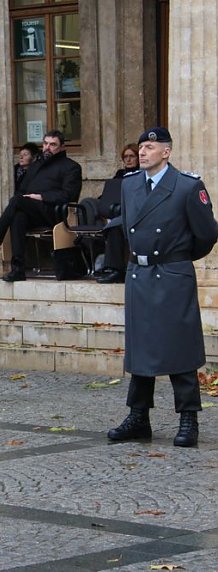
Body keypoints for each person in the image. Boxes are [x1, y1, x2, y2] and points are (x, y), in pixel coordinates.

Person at [107, 127, 218, 447]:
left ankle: (188, 419)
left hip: (172, 273)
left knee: (179, 348)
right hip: (139, 275)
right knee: (141, 349)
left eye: (150, 147)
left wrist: (177, 258)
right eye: (141, 146)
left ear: (166, 152)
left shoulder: (187, 186)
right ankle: (138, 417)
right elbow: (129, 229)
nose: (142, 152)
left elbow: (207, 234)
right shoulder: (129, 186)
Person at [0, 129, 82, 281]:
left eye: (53, 144)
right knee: (18, 216)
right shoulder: (36, 165)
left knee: (17, 201)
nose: (47, 147)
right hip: (33, 211)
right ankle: (18, 269)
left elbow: (69, 195)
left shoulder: (71, 167)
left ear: (62, 147)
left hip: (55, 212)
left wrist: (40, 197)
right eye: (45, 143)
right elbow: (22, 190)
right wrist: (27, 198)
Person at [95, 144, 139, 284]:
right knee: (92, 207)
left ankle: (115, 270)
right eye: (125, 157)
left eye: (132, 156)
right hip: (115, 212)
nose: (128, 160)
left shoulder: (143, 174)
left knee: (114, 226)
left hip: (134, 215)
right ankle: (99, 264)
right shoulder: (120, 175)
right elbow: (109, 195)